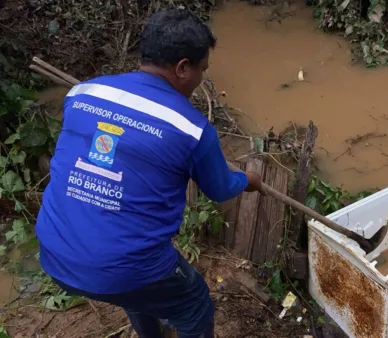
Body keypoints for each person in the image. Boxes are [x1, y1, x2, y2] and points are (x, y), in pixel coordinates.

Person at [35, 9, 263, 338]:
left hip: (55, 252)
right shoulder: (192, 129)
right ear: (183, 67)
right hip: (120, 268)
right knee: (195, 302)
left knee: (138, 289)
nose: (202, 79)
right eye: (202, 69)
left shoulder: (83, 93)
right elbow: (221, 188)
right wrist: (248, 181)